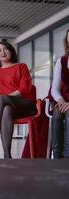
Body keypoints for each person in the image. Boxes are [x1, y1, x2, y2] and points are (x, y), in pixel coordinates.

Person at [50, 29, 69, 158]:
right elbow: (54, 88)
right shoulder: (61, 60)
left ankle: (68, 155)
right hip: (64, 99)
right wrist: (61, 100)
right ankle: (57, 156)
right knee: (57, 113)